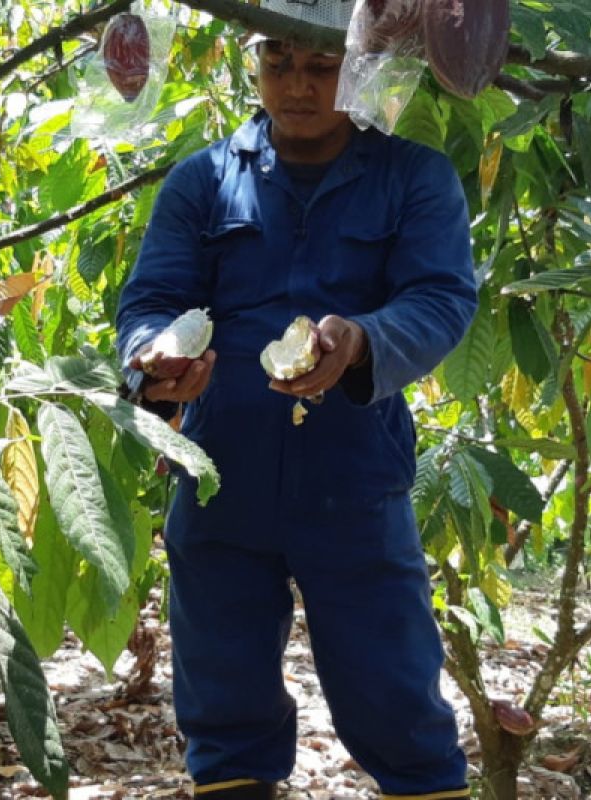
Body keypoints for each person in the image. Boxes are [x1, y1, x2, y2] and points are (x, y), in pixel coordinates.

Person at [116, 2, 478, 797]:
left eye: (322, 66)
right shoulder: (203, 181)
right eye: (278, 62)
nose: (299, 86)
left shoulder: (414, 177)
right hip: (220, 479)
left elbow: (441, 298)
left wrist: (361, 342)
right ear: (254, 63)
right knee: (224, 704)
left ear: (360, 65)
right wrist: (151, 360)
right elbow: (151, 297)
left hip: (354, 480)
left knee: (395, 694)